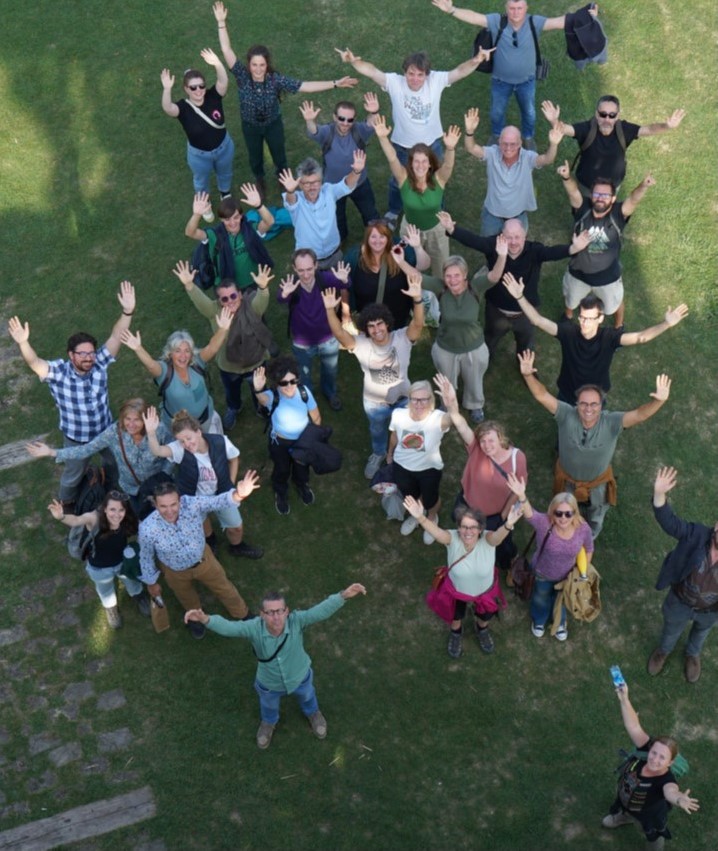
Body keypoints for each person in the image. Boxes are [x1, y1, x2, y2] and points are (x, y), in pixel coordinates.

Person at [184, 582, 367, 749]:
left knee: (308, 695)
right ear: (262, 615)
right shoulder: (254, 627)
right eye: (270, 612)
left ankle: (313, 713)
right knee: (268, 705)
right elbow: (230, 628)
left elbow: (319, 611)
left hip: (300, 676)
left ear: (287, 611)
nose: (276, 617)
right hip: (269, 683)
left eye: (280, 611)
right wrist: (206, 619)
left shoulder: (297, 621)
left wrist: (343, 595)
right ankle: (269, 723)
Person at [8, 281, 136, 509]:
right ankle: (66, 502)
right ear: (71, 355)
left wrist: (127, 311)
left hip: (106, 432)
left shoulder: (100, 363)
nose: (88, 357)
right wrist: (23, 343)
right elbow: (35, 363)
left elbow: (116, 336)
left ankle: (114, 490)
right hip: (76, 437)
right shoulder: (58, 372)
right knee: (72, 474)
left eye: (91, 353)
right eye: (82, 354)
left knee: (116, 463)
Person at [518, 350, 672, 537]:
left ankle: (589, 538)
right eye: (583, 404)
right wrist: (528, 375)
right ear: (576, 404)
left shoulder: (612, 422)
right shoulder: (566, 414)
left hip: (597, 484)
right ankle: (561, 534)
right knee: (562, 509)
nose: (588, 409)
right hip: (567, 480)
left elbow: (640, 414)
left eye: (594, 404)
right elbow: (542, 395)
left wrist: (658, 402)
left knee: (596, 516)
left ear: (601, 406)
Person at [212, 1, 357, 197]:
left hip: (273, 124)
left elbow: (304, 86)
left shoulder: (275, 80)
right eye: (254, 65)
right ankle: (260, 179)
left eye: (261, 65)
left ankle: (283, 178)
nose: (257, 69)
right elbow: (227, 51)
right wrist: (221, 23)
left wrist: (335, 83)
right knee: (255, 157)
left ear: (267, 65)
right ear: (249, 64)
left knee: (279, 154)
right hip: (250, 126)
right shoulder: (242, 76)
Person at [334, 46, 491, 223]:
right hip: (403, 146)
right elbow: (372, 72)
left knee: (436, 179)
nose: (415, 79)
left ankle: (438, 210)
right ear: (405, 72)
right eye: (411, 73)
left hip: (431, 145)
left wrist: (476, 60)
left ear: (427, 75)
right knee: (397, 181)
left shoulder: (436, 80)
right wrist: (354, 61)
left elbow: (460, 71)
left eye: (420, 75)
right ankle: (394, 211)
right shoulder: (394, 82)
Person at [433, 0, 597, 145]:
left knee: (529, 113)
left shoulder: (534, 22)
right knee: (497, 113)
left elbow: (560, 22)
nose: (516, 12)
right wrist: (452, 9)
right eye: (512, 8)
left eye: (519, 8)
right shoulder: (498, 21)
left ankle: (528, 137)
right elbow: (475, 17)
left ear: (526, 8)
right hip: (500, 81)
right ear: (506, 7)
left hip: (527, 81)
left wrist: (586, 15)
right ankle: (497, 135)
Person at [503, 275, 689, 402]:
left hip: (596, 397)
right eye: (582, 317)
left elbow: (641, 338)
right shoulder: (569, 332)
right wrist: (519, 296)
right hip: (568, 393)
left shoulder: (609, 337)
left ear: (600, 318)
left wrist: (666, 324)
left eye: (589, 318)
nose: (584, 322)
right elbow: (536, 320)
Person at [438, 210, 590, 355]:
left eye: (517, 237)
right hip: (496, 311)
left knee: (526, 345)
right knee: (490, 338)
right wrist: (452, 229)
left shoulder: (534, 250)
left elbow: (553, 252)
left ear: (525, 236)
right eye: (509, 237)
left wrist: (573, 248)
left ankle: (525, 368)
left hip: (526, 313)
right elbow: (473, 241)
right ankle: (487, 358)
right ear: (501, 236)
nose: (513, 242)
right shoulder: (494, 246)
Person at [321, 274, 425, 480]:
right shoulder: (361, 344)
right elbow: (340, 335)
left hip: (404, 399)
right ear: (366, 330)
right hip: (375, 404)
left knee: (408, 429)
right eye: (371, 326)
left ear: (387, 324)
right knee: (377, 432)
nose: (377, 330)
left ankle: (407, 456)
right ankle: (379, 454)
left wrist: (417, 299)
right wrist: (329, 310)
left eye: (380, 324)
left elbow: (418, 324)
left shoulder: (402, 338)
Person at [139, 475, 259, 639]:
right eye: (163, 506)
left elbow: (217, 502)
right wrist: (151, 583)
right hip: (175, 571)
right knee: (187, 598)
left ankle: (242, 613)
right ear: (155, 504)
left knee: (224, 588)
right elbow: (145, 556)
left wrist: (239, 494)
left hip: (204, 561)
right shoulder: (147, 528)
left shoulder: (192, 504)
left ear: (180, 500)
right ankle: (195, 619)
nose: (169, 511)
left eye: (174, 504)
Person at [405, 494, 523, 658]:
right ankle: (456, 633)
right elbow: (438, 533)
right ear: (458, 528)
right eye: (464, 527)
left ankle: (482, 629)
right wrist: (421, 518)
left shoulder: (488, 539)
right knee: (455, 615)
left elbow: (498, 537)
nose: (468, 532)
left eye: (473, 527)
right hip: (456, 591)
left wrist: (509, 524)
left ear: (480, 529)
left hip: (485, 592)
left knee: (485, 616)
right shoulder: (452, 538)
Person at [435, 374, 527, 571]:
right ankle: (470, 553)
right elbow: (460, 423)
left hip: (494, 515)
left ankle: (507, 562)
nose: (486, 446)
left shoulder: (516, 458)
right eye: (483, 441)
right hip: (467, 505)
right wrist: (451, 405)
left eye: (491, 440)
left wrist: (504, 514)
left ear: (501, 438)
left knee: (500, 543)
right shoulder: (476, 448)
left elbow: (519, 489)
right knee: (465, 532)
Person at [144, 407, 263, 559]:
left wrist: (230, 484)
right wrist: (151, 433)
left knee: (236, 527)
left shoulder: (220, 442)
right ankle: (210, 539)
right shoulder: (179, 450)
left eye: (189, 438)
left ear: (199, 432)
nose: (186, 443)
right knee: (202, 521)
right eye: (181, 440)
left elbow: (234, 458)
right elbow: (157, 451)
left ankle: (237, 547)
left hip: (222, 493)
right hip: (194, 498)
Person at [174, 259, 275, 430]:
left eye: (233, 296)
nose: (230, 301)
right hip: (229, 367)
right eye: (225, 298)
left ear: (240, 295)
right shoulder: (214, 311)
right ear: (219, 301)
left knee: (259, 388)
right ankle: (234, 408)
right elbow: (200, 301)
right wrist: (189, 285)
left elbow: (262, 301)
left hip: (256, 363)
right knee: (232, 392)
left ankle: (261, 406)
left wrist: (263, 288)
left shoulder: (252, 306)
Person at [26, 398, 173, 516]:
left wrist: (165, 473)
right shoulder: (114, 433)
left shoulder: (158, 430)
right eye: (127, 419)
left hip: (158, 485)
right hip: (131, 487)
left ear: (146, 419)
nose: (131, 424)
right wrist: (53, 452)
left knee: (166, 512)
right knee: (143, 514)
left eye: (137, 420)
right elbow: (86, 449)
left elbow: (172, 451)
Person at [557, 159, 656, 327]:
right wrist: (567, 177)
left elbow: (633, 200)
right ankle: (567, 316)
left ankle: (618, 327)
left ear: (613, 198)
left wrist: (644, 186)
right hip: (578, 274)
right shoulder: (583, 208)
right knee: (571, 300)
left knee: (614, 305)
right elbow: (573, 192)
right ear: (591, 195)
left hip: (608, 278)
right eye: (597, 194)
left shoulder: (618, 213)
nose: (601, 198)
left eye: (605, 195)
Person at [603, 682, 699, 849]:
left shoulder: (665, 779)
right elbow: (633, 726)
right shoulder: (645, 751)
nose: (654, 759)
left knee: (652, 835)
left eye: (662, 757)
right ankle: (623, 817)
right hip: (627, 798)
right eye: (654, 753)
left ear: (670, 762)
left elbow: (670, 791)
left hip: (647, 815)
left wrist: (678, 799)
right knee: (625, 807)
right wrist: (624, 699)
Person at [647, 467, 718, 685]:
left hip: (709, 611)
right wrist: (659, 495)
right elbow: (670, 523)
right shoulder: (697, 535)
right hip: (680, 600)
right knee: (670, 631)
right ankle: (663, 651)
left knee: (700, 633)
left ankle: (692, 654)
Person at [506, 474, 593, 640]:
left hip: (568, 576)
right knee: (541, 598)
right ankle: (539, 620)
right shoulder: (544, 522)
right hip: (542, 573)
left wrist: (583, 572)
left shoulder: (583, 528)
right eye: (558, 513)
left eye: (568, 514)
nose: (563, 518)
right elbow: (529, 513)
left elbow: (589, 548)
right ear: (552, 512)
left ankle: (560, 623)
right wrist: (522, 496)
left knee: (562, 600)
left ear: (575, 513)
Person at [120, 308, 232, 433]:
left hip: (205, 419)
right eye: (177, 351)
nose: (183, 356)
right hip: (181, 429)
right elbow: (151, 365)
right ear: (170, 353)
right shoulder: (164, 371)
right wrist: (138, 348)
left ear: (191, 353)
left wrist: (223, 329)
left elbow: (212, 348)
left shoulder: (197, 362)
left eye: (187, 351)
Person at [48, 492, 149, 629]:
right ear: (105, 509)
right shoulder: (94, 518)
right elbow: (77, 520)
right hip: (99, 568)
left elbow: (142, 527)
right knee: (105, 590)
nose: (117, 514)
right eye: (112, 509)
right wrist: (62, 517)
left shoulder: (126, 518)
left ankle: (138, 595)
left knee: (131, 580)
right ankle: (111, 609)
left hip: (122, 561)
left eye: (121, 510)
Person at [373, 116, 461, 274]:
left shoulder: (439, 179)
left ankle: (438, 295)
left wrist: (450, 148)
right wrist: (383, 138)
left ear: (429, 164)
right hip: (410, 230)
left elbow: (448, 164)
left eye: (424, 161)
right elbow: (392, 157)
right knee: (409, 268)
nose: (420, 165)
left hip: (437, 231)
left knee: (440, 269)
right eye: (416, 161)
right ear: (411, 163)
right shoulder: (403, 178)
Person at [543, 96, 686, 192]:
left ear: (618, 115)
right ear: (596, 113)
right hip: (587, 185)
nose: (607, 119)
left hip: (612, 186)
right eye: (603, 114)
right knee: (582, 210)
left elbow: (648, 129)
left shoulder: (624, 130)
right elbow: (564, 129)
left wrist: (667, 126)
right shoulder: (587, 129)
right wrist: (554, 121)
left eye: (612, 115)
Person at [463, 106, 563, 235]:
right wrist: (469, 132)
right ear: (499, 141)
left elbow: (547, 159)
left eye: (513, 144)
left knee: (517, 251)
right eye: (504, 143)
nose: (508, 148)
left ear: (520, 143)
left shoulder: (528, 157)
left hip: (518, 217)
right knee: (488, 249)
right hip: (492, 215)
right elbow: (471, 148)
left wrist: (554, 144)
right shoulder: (492, 152)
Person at [415, 255, 492, 422]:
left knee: (474, 379)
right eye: (448, 275)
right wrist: (400, 260)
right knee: (446, 380)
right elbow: (415, 277)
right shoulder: (440, 287)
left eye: (457, 275)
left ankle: (475, 404)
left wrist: (501, 255)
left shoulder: (475, 287)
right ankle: (446, 403)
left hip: (473, 346)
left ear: (465, 274)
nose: (452, 279)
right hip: (446, 346)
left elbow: (496, 276)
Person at [160, 50, 234, 219]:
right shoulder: (183, 108)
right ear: (186, 89)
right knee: (201, 182)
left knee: (225, 173)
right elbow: (167, 108)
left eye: (201, 86)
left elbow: (223, 81)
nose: (199, 90)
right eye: (193, 87)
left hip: (224, 148)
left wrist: (217, 63)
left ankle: (225, 193)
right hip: (199, 156)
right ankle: (204, 204)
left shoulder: (213, 96)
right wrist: (166, 89)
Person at [276, 250, 350, 411]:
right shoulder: (292, 285)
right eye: (301, 270)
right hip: (302, 343)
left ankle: (330, 393)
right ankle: (307, 398)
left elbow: (345, 284)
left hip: (328, 338)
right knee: (304, 375)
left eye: (309, 269)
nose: (306, 274)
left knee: (330, 371)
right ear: (294, 269)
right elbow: (281, 298)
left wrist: (344, 279)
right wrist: (284, 294)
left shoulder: (325, 279)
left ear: (316, 265)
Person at [301, 94, 380, 241]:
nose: (345, 123)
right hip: (333, 186)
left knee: (370, 215)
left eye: (350, 120)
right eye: (341, 118)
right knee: (337, 218)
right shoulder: (327, 132)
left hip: (359, 183)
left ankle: (376, 238)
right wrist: (310, 120)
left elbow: (370, 123)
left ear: (354, 120)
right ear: (334, 117)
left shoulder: (359, 131)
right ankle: (341, 239)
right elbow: (314, 131)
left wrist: (374, 112)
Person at [253, 356, 321, 517]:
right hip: (280, 443)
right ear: (276, 383)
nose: (289, 386)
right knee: (281, 469)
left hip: (302, 441)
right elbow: (262, 400)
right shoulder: (272, 396)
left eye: (293, 381)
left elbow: (316, 417)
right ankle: (281, 492)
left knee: (302, 467)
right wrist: (257, 389)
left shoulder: (304, 392)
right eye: (284, 383)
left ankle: (301, 485)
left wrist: (313, 439)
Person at [387, 379, 452, 543]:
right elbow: (394, 436)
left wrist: (451, 404)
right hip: (402, 466)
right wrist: (389, 454)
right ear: (409, 399)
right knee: (409, 496)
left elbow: (453, 418)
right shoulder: (398, 415)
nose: (419, 403)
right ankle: (417, 515)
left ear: (431, 400)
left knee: (431, 499)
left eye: (424, 399)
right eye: (415, 399)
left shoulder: (438, 418)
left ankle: (431, 518)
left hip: (429, 468)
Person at [280, 152, 366, 269]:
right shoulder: (296, 199)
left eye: (316, 182)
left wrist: (356, 172)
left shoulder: (328, 191)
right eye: (307, 183)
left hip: (334, 253)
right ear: (299, 185)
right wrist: (290, 191)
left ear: (321, 181)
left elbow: (346, 185)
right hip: (308, 260)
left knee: (339, 284)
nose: (312, 187)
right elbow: (291, 202)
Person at [343, 221, 430, 328]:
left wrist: (417, 248)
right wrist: (346, 314)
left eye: (382, 236)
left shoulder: (399, 250)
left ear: (389, 238)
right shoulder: (354, 257)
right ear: (367, 239)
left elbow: (423, 268)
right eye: (373, 237)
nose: (378, 241)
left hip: (398, 317)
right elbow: (344, 286)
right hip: (368, 320)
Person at [185, 186, 274, 290]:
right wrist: (196, 215)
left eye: (236, 217)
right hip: (227, 287)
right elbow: (190, 232)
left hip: (254, 281)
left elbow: (270, 222)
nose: (232, 223)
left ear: (241, 216)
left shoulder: (250, 229)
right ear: (221, 219)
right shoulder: (214, 235)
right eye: (227, 219)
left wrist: (259, 206)